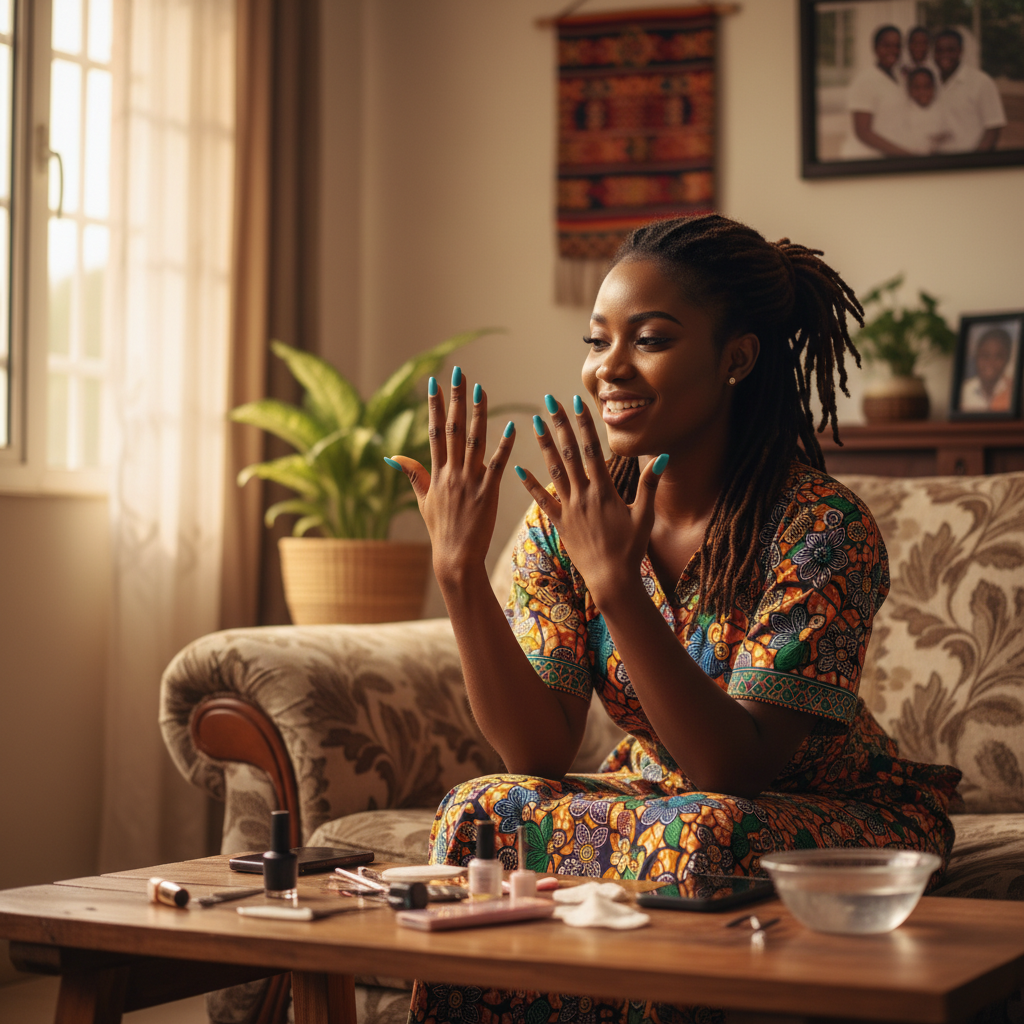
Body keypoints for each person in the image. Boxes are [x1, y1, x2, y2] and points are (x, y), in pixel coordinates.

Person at [388, 214, 961, 1024]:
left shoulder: (821, 527)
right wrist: (457, 574)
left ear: (736, 358)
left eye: (648, 339)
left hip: (844, 818)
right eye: (596, 342)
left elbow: (736, 766)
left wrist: (619, 589)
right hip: (669, 796)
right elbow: (539, 747)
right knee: (485, 806)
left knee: (703, 832)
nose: (608, 369)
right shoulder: (570, 517)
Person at [841, 25, 914, 158]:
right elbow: (863, 132)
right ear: (875, 48)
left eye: (897, 46)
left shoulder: (899, 77)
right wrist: (904, 154)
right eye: (886, 45)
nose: (893, 50)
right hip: (864, 159)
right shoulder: (865, 81)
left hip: (890, 157)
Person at [933, 28, 1006, 152]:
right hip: (937, 164)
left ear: (960, 51)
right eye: (939, 50)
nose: (944, 55)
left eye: (951, 50)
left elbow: (993, 128)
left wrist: (974, 162)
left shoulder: (981, 82)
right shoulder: (929, 83)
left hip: (969, 163)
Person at [960, 327, 1016, 412]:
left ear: (1007, 360)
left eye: (998, 356)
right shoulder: (964, 391)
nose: (991, 362)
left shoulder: (1013, 391)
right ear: (976, 358)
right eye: (985, 355)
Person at [903, 67, 952, 154]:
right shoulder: (905, 114)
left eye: (927, 87)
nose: (922, 91)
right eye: (916, 87)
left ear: (934, 87)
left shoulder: (943, 110)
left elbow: (950, 136)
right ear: (909, 90)